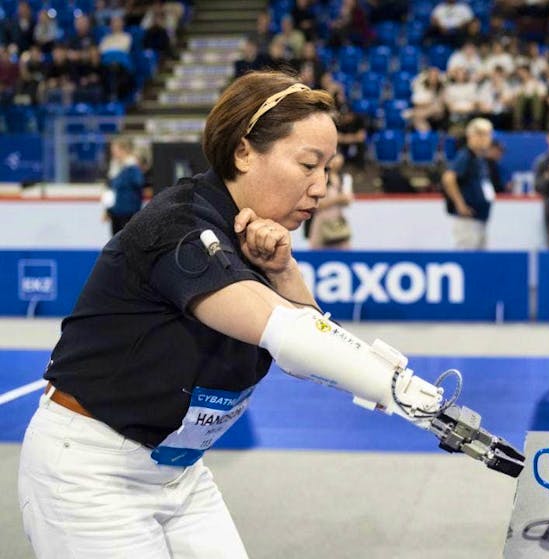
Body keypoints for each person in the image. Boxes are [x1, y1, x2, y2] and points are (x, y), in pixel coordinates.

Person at [18, 71, 518, 558]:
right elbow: (290, 335)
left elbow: (313, 351)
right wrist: (417, 399)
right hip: (90, 473)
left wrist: (283, 270)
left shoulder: (259, 239)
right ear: (243, 151)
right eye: (308, 165)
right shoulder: (179, 227)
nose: (321, 188)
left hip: (180, 473)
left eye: (328, 169)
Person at [441, 117, 495, 249]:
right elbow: (448, 178)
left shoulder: (479, 158)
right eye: (480, 134)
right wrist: (460, 204)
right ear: (471, 136)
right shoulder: (465, 156)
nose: (485, 139)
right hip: (468, 218)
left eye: (487, 134)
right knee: (468, 257)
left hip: (480, 217)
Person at [309, 152, 354, 249]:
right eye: (333, 158)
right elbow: (316, 205)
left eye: (338, 157)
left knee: (344, 250)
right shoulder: (319, 178)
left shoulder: (344, 178)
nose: (336, 161)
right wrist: (337, 200)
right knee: (318, 251)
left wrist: (345, 199)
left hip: (338, 221)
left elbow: (348, 201)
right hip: (322, 220)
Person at [102, 137, 146, 235]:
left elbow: (139, 183)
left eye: (115, 150)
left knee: (127, 241)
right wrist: (107, 209)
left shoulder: (133, 167)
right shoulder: (114, 167)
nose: (113, 153)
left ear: (123, 150)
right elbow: (109, 189)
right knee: (115, 242)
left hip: (129, 212)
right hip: (115, 212)